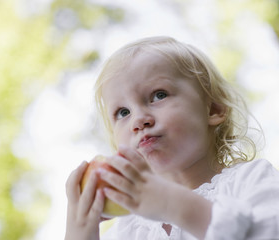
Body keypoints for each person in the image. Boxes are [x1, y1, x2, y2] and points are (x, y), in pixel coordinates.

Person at [64, 36, 279, 240]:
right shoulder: (126, 230)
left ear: (212, 110)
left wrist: (171, 205)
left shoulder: (250, 179)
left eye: (159, 95)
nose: (138, 120)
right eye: (123, 112)